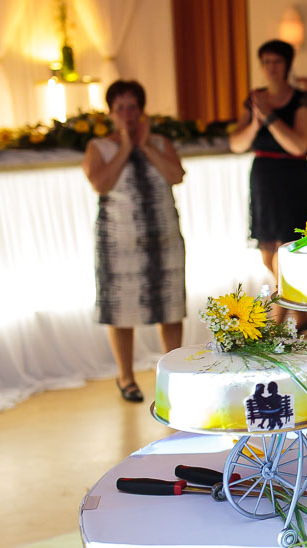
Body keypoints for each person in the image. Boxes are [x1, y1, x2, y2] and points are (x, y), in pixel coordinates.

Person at [81, 80, 186, 402]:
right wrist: (126, 146)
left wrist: (146, 147)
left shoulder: (159, 142)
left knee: (170, 308)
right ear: (111, 113)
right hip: (119, 240)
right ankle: (125, 377)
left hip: (164, 237)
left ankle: (175, 375)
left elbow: (176, 175)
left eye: (133, 107)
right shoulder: (98, 147)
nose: (128, 114)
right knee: (121, 310)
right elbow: (100, 183)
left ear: (143, 111)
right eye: (121, 108)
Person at [229, 39, 307, 327]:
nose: (271, 68)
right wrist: (256, 121)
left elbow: (299, 144)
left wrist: (270, 117)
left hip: (293, 177)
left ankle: (277, 325)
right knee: (268, 254)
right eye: (266, 62)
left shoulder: (301, 99)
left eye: (277, 61)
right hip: (263, 177)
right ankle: (300, 313)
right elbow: (237, 143)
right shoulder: (254, 99)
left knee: (287, 252)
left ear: (287, 65)